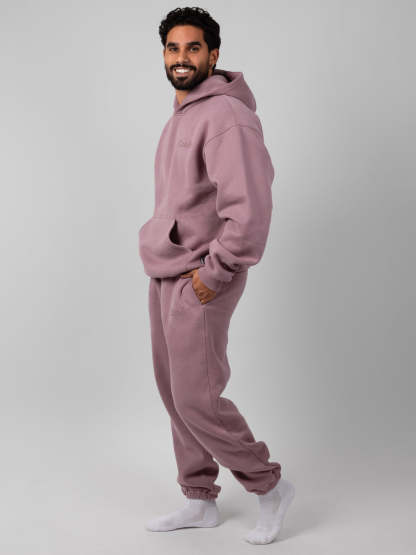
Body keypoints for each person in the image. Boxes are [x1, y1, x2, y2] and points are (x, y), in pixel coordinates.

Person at [138, 6, 295, 545]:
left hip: (201, 276)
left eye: (193, 48)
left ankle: (269, 486)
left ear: (214, 54)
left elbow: (250, 208)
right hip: (166, 270)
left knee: (197, 399)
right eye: (173, 48)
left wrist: (216, 271)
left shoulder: (227, 115)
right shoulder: (181, 114)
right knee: (174, 393)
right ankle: (199, 498)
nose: (181, 58)